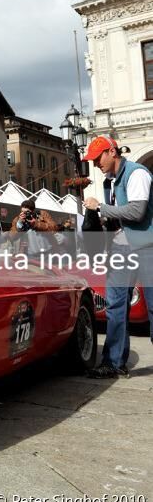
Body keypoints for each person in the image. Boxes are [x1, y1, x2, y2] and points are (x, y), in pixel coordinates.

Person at [83, 135, 153, 379]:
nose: (95, 165)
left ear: (112, 152)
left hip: (147, 246)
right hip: (122, 248)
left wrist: (100, 208)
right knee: (115, 305)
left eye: (97, 158)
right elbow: (119, 217)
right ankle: (113, 362)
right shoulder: (109, 182)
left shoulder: (137, 173)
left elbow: (136, 211)